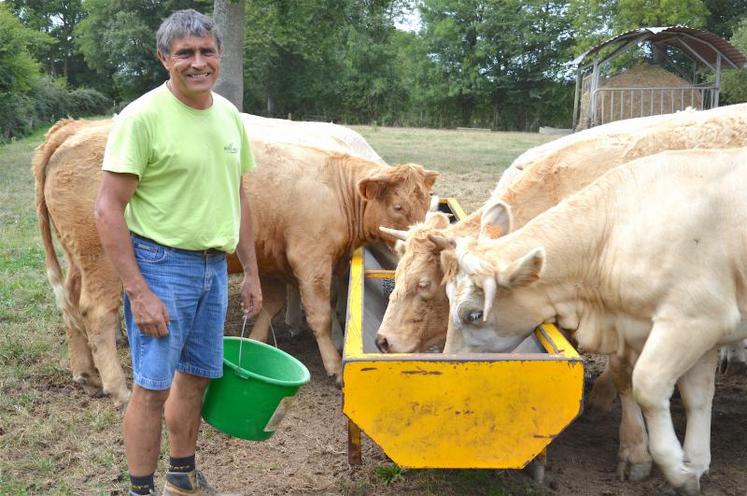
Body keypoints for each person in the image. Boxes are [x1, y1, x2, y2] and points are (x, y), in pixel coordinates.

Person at [94, 9, 262, 496]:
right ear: (164, 58)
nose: (197, 62)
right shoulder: (141, 117)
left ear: (220, 56)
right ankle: (140, 489)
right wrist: (138, 291)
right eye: (184, 53)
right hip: (162, 265)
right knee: (152, 386)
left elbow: (239, 196)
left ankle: (182, 476)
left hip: (214, 267)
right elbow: (108, 209)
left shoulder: (229, 115)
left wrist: (249, 272)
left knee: (196, 378)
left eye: (206, 51)